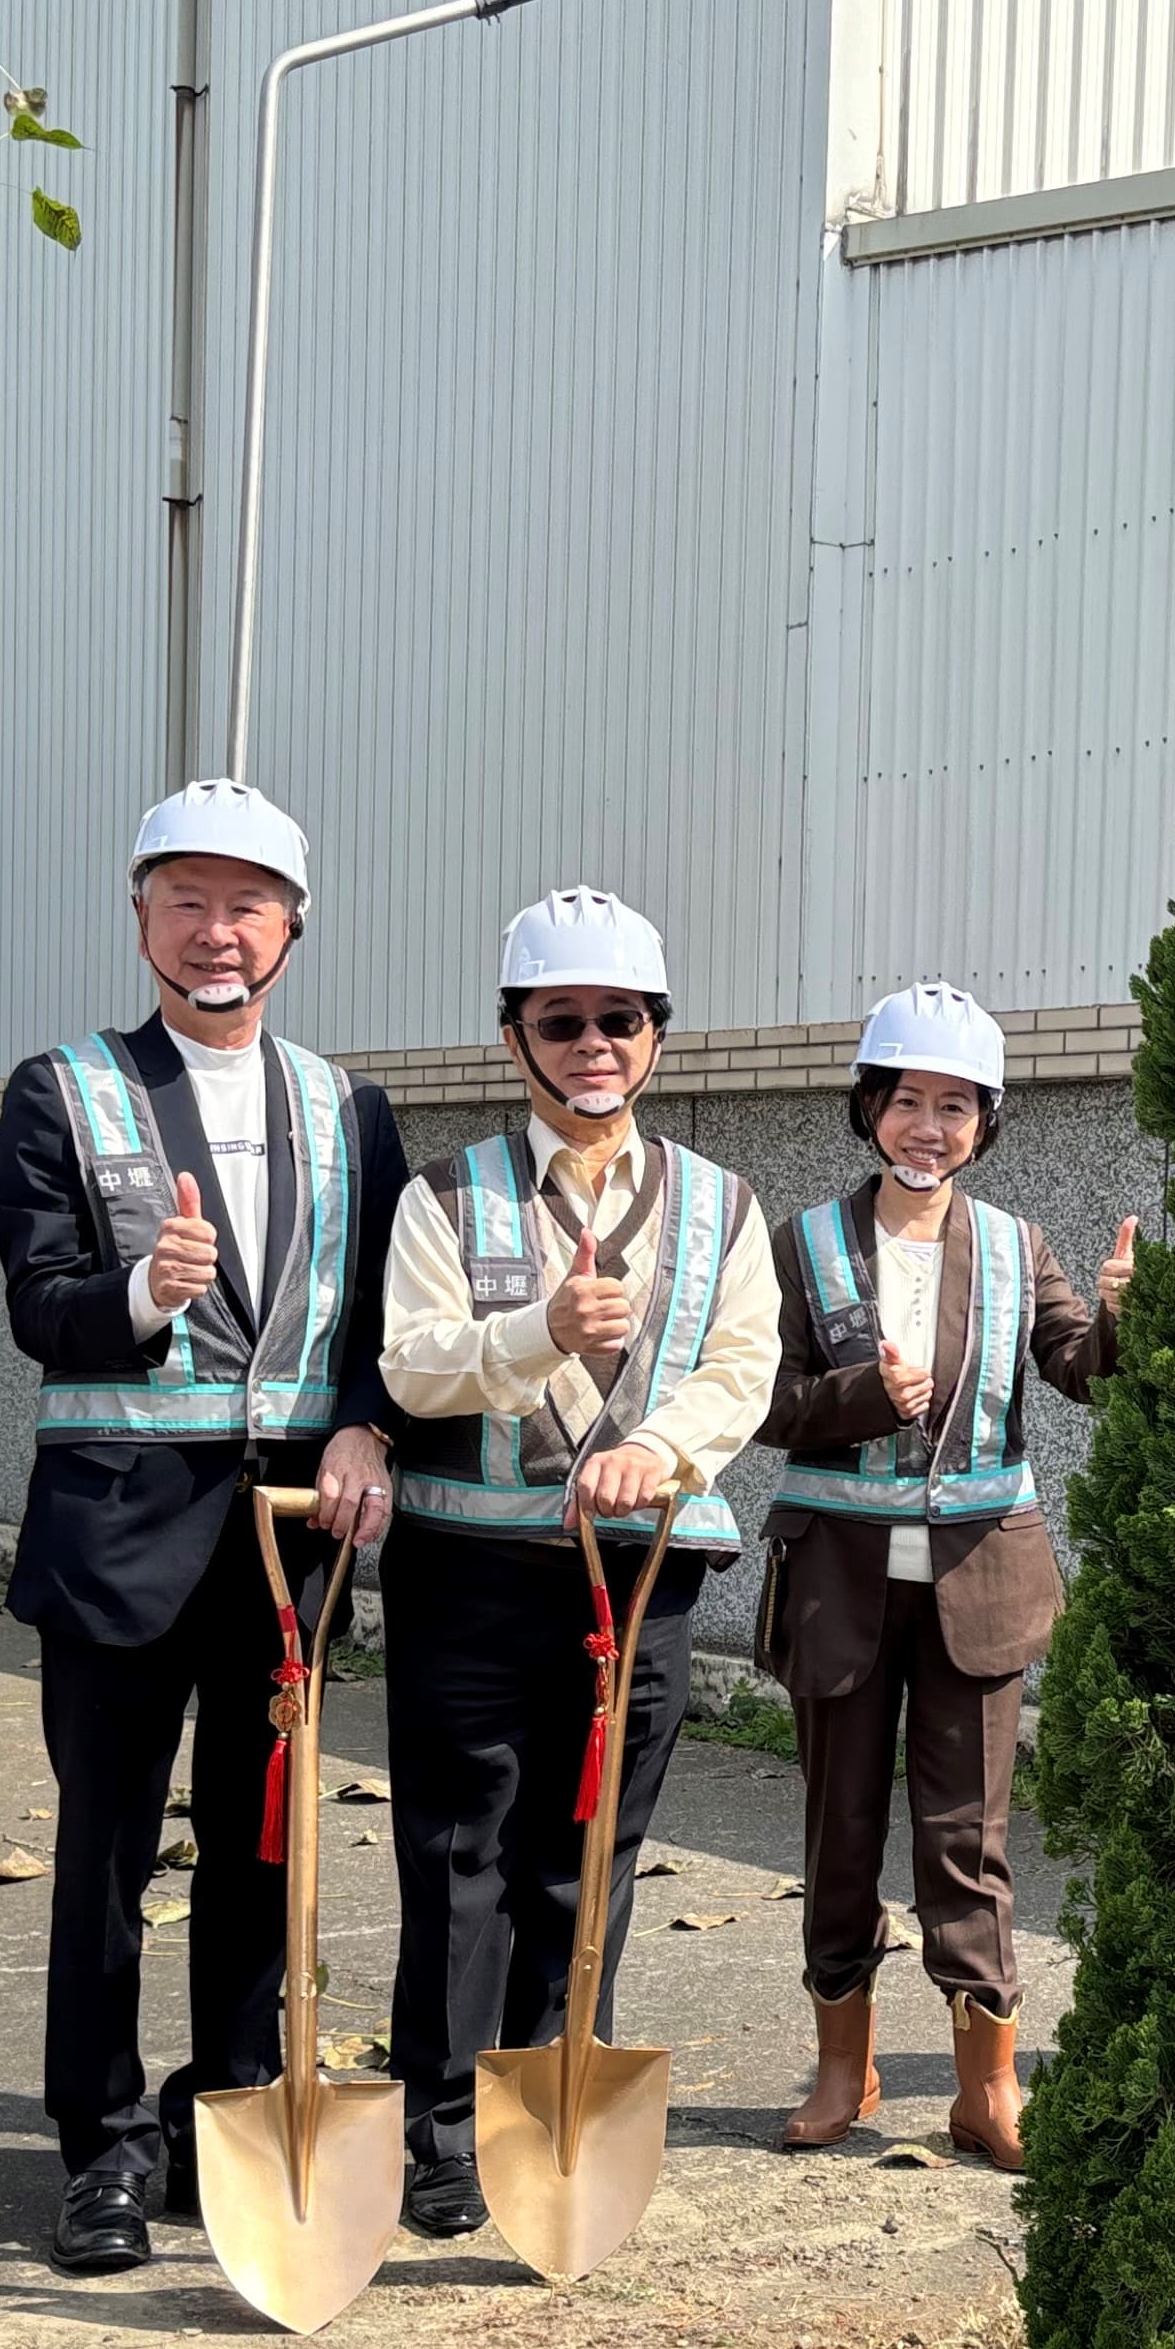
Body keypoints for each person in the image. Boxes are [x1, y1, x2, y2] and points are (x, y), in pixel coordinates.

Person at [0, 780, 404, 2275]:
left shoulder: (350, 1108)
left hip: (290, 1541)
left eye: (248, 904)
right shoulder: (63, 1089)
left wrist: (367, 1421)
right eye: (187, 901)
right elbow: (42, 1309)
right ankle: (99, 2146)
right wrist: (146, 1294)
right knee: (105, 1853)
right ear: (141, 914)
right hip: (115, 1542)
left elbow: (387, 1315)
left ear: (292, 926)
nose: (216, 932)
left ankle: (225, 2107)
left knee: (262, 1842)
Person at [376, 890, 777, 2232]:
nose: (593, 1042)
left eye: (621, 1018)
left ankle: (552, 2114)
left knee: (589, 1853)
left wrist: (656, 1450)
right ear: (515, 1037)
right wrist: (538, 1331)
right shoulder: (446, 1197)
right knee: (458, 1850)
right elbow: (410, 1367)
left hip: (644, 1575)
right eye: (564, 1020)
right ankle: (441, 2130)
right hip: (475, 1574)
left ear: (657, 1036)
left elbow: (743, 1369)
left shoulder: (722, 1207)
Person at [757, 984, 1130, 2170]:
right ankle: (840, 2068)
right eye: (908, 1100)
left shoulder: (1021, 1245)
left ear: (986, 1122)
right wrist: (863, 1397)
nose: (929, 1125)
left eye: (955, 1105)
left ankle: (987, 2088)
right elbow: (759, 1401)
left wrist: (1126, 1320)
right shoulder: (804, 1241)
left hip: (980, 1580)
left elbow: (1081, 1371)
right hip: (838, 1582)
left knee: (970, 1841)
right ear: (869, 1108)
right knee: (840, 1827)